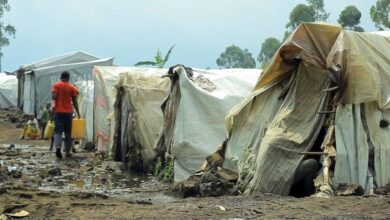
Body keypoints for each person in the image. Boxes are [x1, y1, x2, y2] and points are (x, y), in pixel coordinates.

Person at [51, 71, 80, 159]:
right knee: (68, 133)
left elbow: (54, 97)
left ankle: (58, 149)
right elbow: (75, 101)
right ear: (68, 78)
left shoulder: (56, 85)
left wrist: (56, 96)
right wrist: (78, 112)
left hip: (58, 112)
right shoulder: (72, 87)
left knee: (58, 131)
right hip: (68, 113)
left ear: (61, 77)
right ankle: (67, 152)